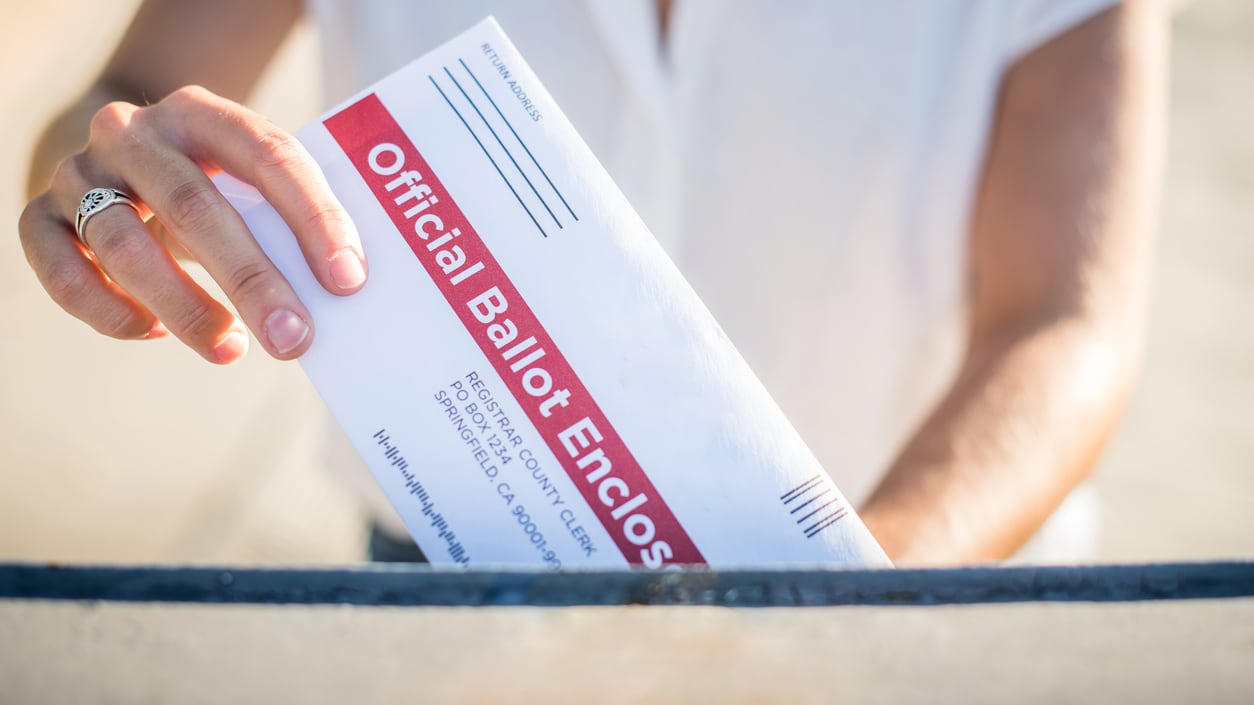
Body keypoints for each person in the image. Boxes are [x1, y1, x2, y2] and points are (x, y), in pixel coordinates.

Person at [19, 0, 1166, 565]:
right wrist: (109, 180)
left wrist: (854, 595)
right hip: (472, 537)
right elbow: (124, 97)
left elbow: (1065, 318)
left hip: (921, 558)